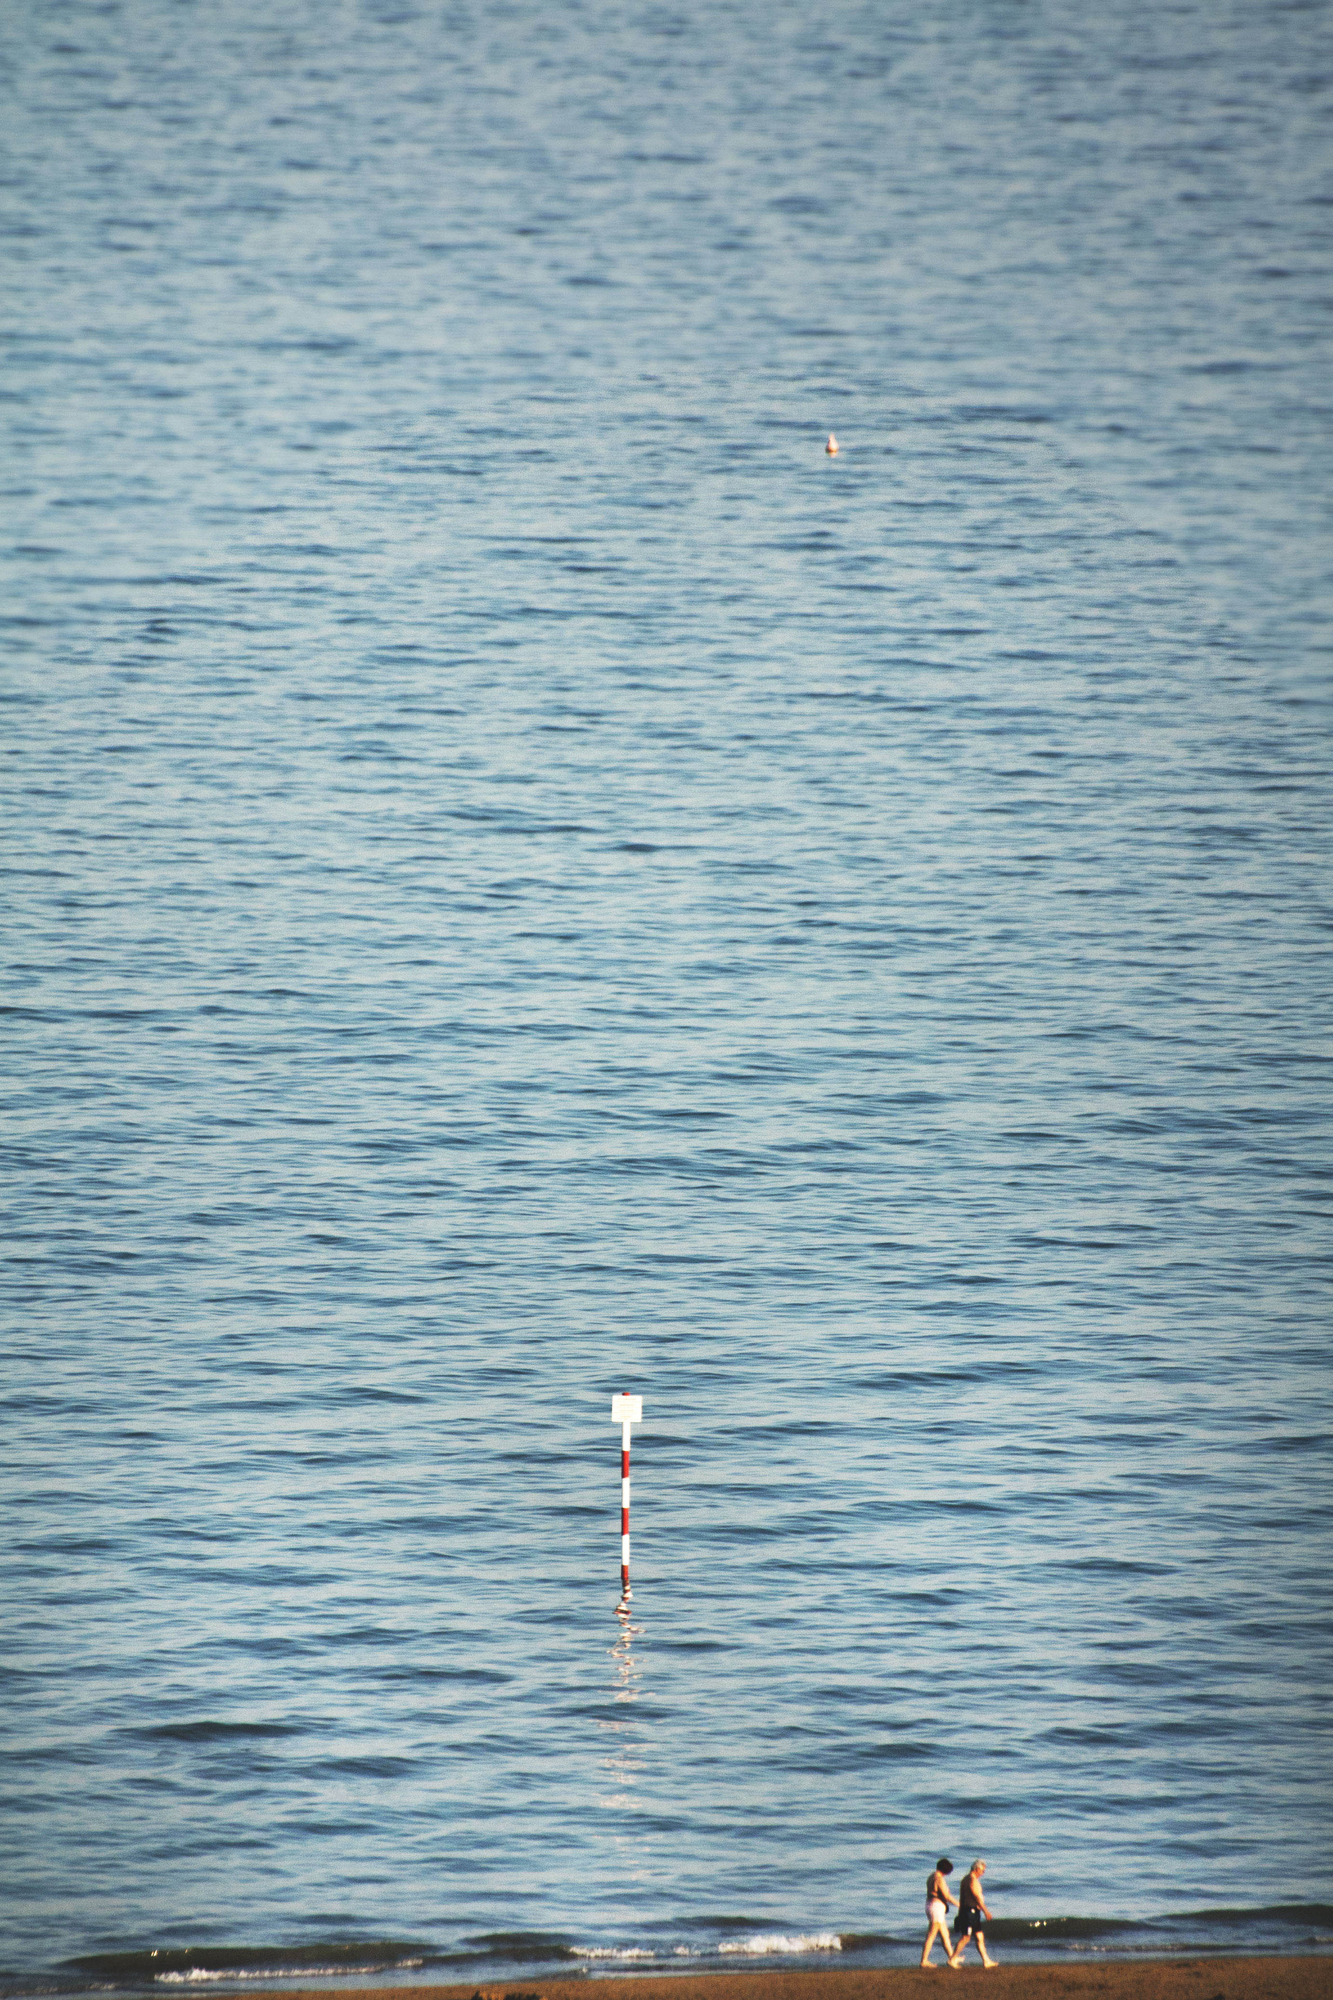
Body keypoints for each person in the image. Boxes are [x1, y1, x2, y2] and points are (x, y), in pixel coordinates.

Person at [948, 1859, 997, 1968]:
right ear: (977, 1869)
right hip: (970, 1911)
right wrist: (986, 1911)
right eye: (982, 1871)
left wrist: (960, 1912)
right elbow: (977, 1898)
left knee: (979, 1936)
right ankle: (952, 1959)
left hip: (971, 1912)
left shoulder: (965, 1879)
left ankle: (986, 1960)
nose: (983, 1873)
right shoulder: (972, 1880)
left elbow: (962, 1897)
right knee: (966, 1937)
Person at [920, 1856, 958, 1967]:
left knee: (945, 1935)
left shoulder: (931, 1876)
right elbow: (946, 1896)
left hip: (930, 1905)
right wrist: (959, 1904)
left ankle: (952, 1958)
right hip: (936, 1907)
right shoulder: (939, 1878)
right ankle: (924, 1961)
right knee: (931, 1935)